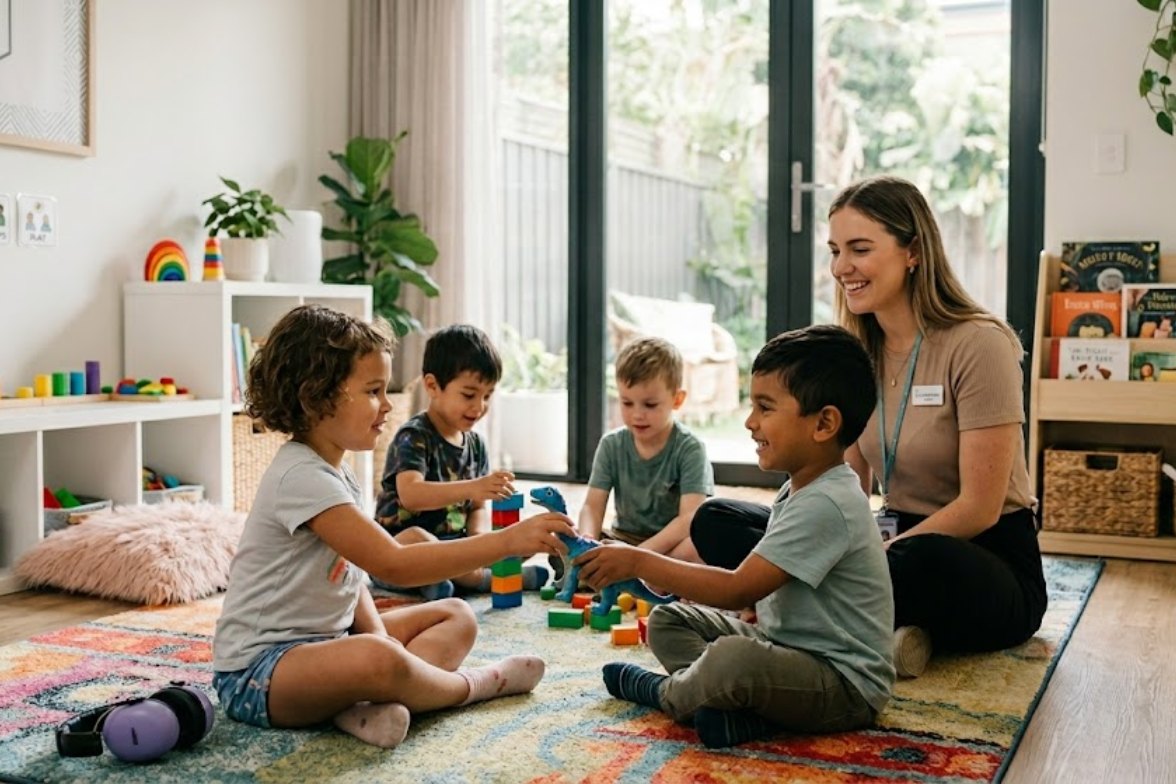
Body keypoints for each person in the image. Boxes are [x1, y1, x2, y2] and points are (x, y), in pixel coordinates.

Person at [690, 174, 1047, 679]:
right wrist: (823, 547)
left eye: (859, 248)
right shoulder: (857, 353)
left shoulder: (980, 344)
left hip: (977, 558)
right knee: (718, 520)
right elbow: (845, 482)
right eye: (835, 250)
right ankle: (881, 630)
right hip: (885, 538)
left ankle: (814, 616)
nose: (841, 268)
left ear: (913, 251)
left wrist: (870, 559)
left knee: (922, 560)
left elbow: (980, 508)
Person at [212, 305, 574, 749]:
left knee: (455, 615)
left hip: (328, 645)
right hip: (258, 675)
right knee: (377, 656)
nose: (387, 405)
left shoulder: (336, 472)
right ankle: (475, 686)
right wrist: (507, 542)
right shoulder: (300, 477)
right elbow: (395, 564)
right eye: (373, 390)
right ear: (316, 396)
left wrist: (383, 643)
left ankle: (362, 708)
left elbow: (351, 579)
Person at [574, 325, 894, 749]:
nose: (749, 421)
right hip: (784, 646)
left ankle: (668, 694)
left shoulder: (828, 502)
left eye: (765, 408)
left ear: (824, 424)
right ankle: (740, 710)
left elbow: (737, 586)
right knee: (670, 620)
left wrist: (637, 560)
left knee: (732, 660)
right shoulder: (801, 484)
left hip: (842, 684)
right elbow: (764, 586)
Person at [374, 324, 549, 598]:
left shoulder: (476, 445)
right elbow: (411, 495)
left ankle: (450, 580)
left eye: (488, 395)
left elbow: (477, 509)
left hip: (453, 549)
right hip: (402, 552)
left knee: (519, 537)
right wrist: (472, 487)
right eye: (469, 395)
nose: (479, 406)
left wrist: (481, 542)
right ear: (432, 386)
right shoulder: (414, 436)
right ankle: (483, 580)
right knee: (419, 539)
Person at [577, 336, 714, 562]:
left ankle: (640, 574)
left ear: (677, 400)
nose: (637, 414)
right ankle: (634, 575)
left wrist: (638, 556)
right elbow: (592, 506)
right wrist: (586, 541)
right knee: (563, 542)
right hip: (622, 539)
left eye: (650, 405)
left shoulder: (690, 449)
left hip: (670, 546)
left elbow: (689, 518)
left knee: (703, 545)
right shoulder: (611, 444)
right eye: (627, 403)